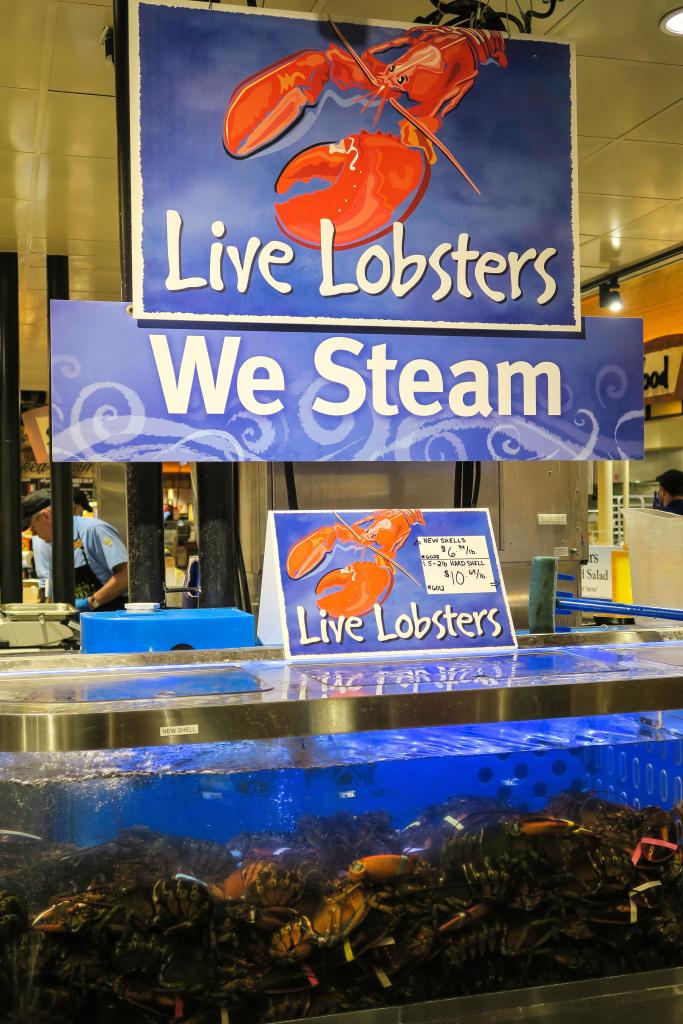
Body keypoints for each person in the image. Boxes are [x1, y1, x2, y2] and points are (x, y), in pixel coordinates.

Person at [21, 490, 128, 611]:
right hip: (80, 622)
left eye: (34, 530)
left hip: (111, 616)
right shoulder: (53, 545)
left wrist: (90, 603)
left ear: (46, 516)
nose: (35, 536)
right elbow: (52, 593)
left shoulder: (95, 530)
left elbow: (126, 575)